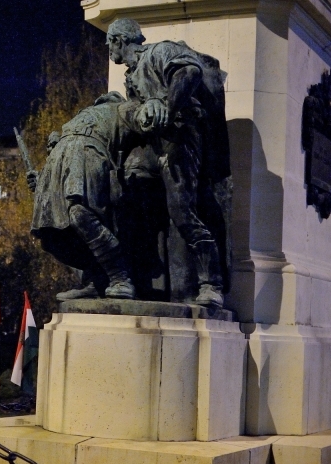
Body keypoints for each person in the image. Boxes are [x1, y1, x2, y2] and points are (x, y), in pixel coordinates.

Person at [106, 18, 230, 308]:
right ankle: (133, 277)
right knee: (127, 191)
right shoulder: (132, 74)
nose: (109, 52)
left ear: (118, 41)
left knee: (181, 208)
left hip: (180, 134)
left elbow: (190, 71)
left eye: (109, 44)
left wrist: (166, 106)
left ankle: (211, 283)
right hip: (152, 143)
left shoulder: (159, 52)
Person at [28, 92, 143, 300]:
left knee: (80, 214)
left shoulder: (121, 109)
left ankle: (119, 277)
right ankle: (95, 279)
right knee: (50, 232)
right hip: (61, 160)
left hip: (87, 153)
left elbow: (147, 122)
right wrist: (44, 178)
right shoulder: (78, 118)